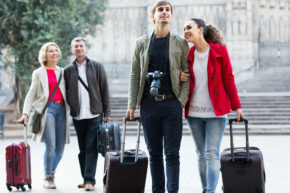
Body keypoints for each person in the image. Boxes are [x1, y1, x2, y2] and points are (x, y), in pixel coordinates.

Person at [126, 1, 189, 193]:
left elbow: (188, 74)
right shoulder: (141, 43)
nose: (164, 13)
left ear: (171, 16)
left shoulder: (180, 42)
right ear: (152, 16)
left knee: (172, 154)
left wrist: (181, 101)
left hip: (172, 103)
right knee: (154, 154)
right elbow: (135, 74)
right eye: (160, 10)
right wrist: (131, 105)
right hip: (148, 104)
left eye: (167, 10)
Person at [181, 18, 244, 193]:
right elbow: (182, 79)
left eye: (189, 27)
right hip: (193, 113)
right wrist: (181, 77)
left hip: (216, 114)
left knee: (211, 153)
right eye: (184, 28)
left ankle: (210, 191)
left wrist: (237, 106)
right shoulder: (188, 54)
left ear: (200, 30)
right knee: (200, 154)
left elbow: (228, 79)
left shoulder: (219, 51)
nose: (185, 31)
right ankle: (205, 189)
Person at [19, 42, 70, 189]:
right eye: (50, 51)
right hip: (48, 110)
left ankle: (50, 173)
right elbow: (30, 94)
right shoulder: (39, 72)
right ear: (45, 55)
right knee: (51, 145)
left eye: (56, 50)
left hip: (62, 111)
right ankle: (48, 177)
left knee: (61, 148)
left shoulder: (63, 71)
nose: (54, 53)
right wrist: (25, 113)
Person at [64, 37, 110, 191]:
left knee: (91, 147)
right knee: (82, 149)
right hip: (78, 115)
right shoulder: (68, 70)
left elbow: (105, 90)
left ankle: (90, 180)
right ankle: (86, 178)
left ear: (86, 48)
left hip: (94, 114)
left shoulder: (97, 66)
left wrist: (107, 112)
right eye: (75, 46)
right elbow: (66, 92)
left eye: (81, 46)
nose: (79, 48)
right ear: (72, 50)